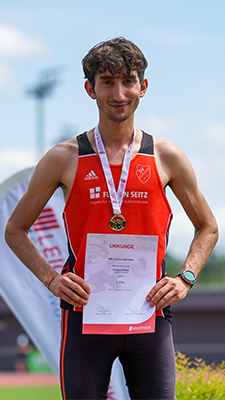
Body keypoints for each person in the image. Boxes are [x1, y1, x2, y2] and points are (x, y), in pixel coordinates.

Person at [5, 37, 218, 400]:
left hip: (150, 312)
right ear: (90, 89)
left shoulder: (166, 156)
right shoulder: (63, 157)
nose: (118, 93)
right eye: (107, 82)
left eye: (128, 81)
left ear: (143, 86)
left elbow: (208, 227)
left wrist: (185, 278)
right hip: (85, 313)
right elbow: (15, 230)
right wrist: (52, 279)